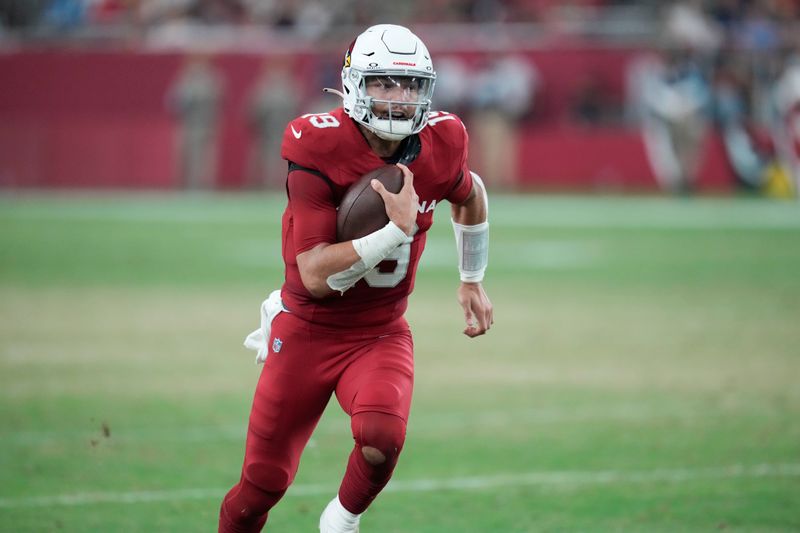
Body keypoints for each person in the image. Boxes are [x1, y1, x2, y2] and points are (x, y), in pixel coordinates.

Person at [218, 23, 493, 532]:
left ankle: (341, 522)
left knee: (381, 436)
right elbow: (317, 274)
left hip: (380, 329)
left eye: (411, 85)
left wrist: (471, 277)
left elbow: (470, 193)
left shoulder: (442, 139)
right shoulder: (318, 143)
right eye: (385, 82)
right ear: (353, 85)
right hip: (307, 327)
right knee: (261, 486)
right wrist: (394, 231)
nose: (399, 97)